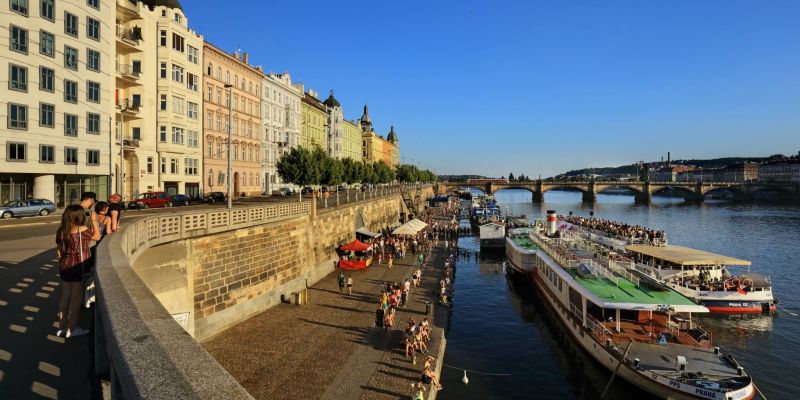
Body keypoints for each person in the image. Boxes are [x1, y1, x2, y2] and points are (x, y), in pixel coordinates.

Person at [55, 205, 100, 338]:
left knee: (64, 298)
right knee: (75, 301)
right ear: (79, 216)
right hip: (78, 267)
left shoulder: (61, 230)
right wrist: (94, 221)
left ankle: (61, 328)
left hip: (65, 266)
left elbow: (58, 252)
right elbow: (97, 236)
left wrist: (61, 266)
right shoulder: (82, 229)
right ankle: (72, 329)